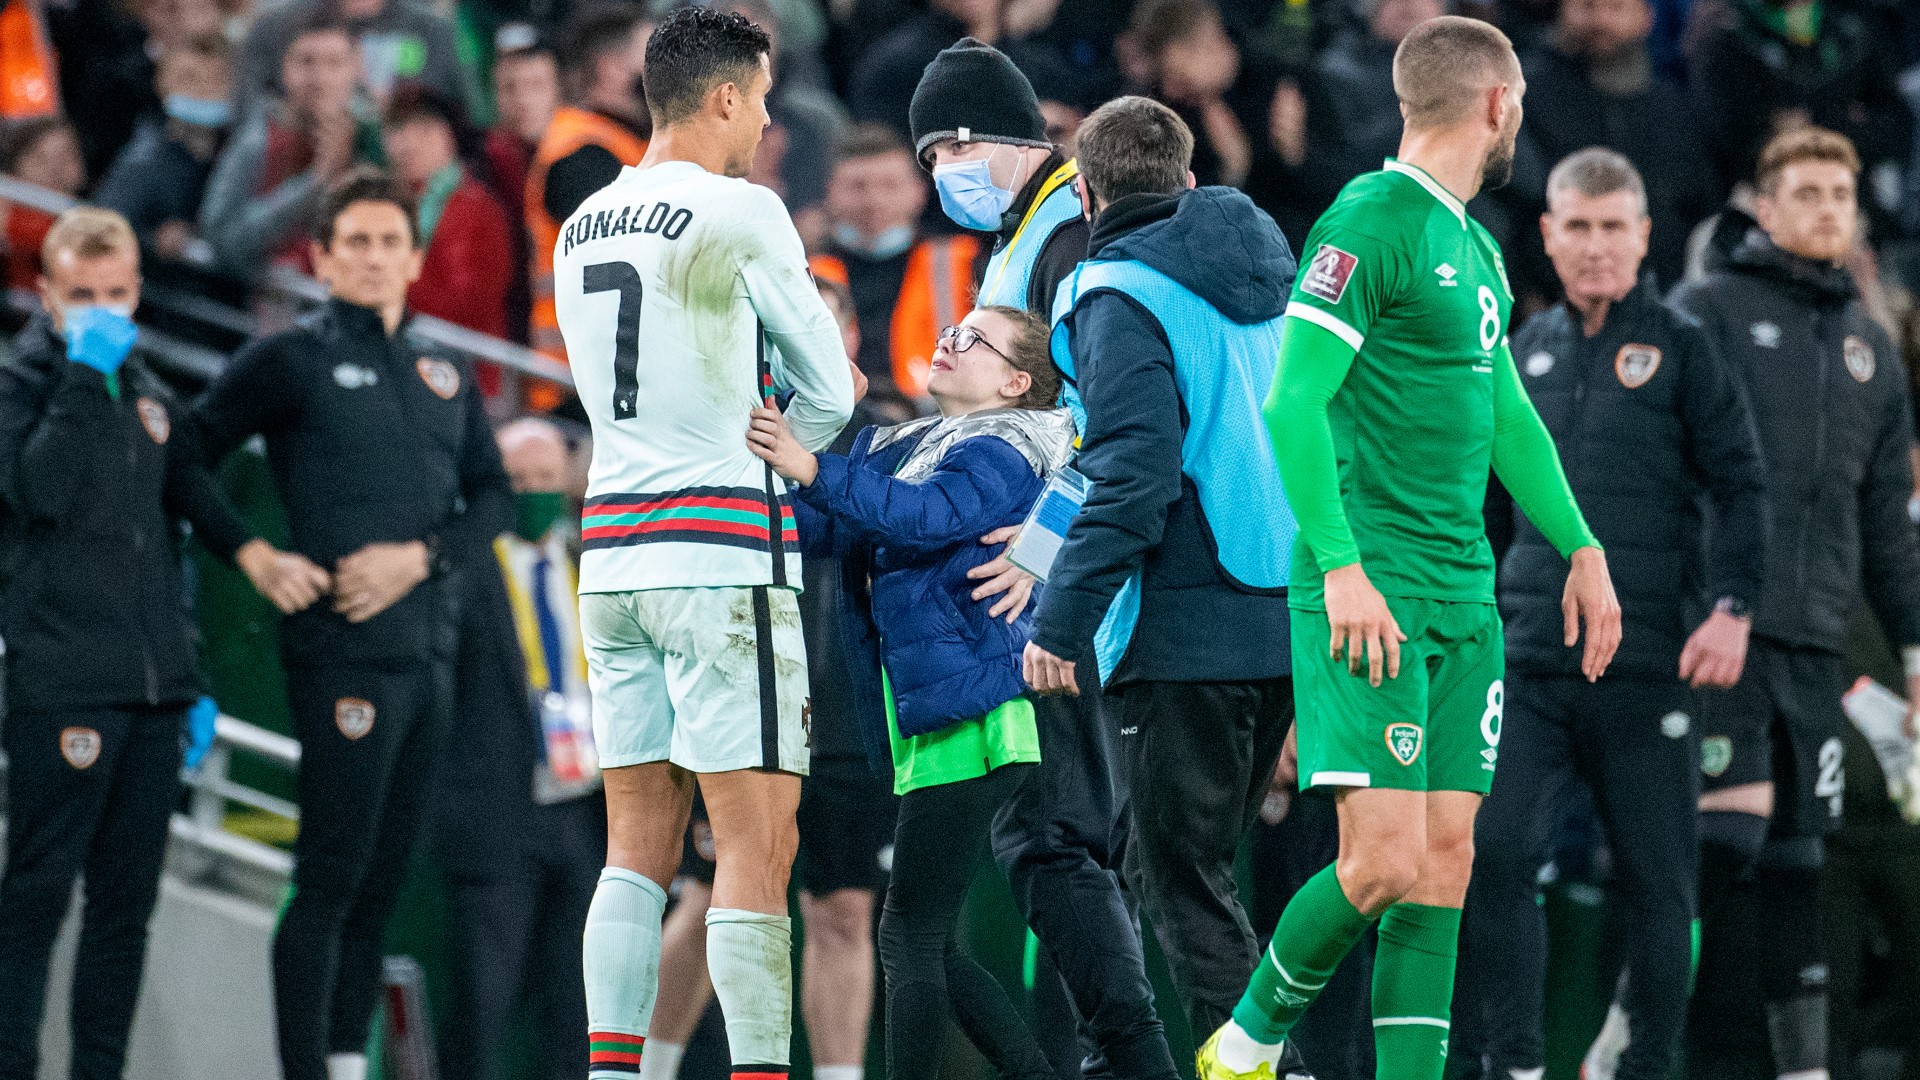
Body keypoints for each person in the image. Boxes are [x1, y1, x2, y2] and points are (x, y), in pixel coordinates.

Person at [1198, 18, 1621, 1080]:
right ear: (1498, 105)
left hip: (1462, 596)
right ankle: (1245, 1043)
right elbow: (1292, 405)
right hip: (1370, 587)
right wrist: (1339, 566)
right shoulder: (1369, 218)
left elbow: (1507, 415)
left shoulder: (1476, 244)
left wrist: (1579, 544)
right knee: (1379, 862)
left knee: (1442, 867)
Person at [549, 9, 855, 1080]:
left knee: (634, 849)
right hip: (723, 556)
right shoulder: (743, 211)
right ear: (723, 97)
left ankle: (613, 1071)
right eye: (763, 99)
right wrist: (800, 441)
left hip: (616, 553)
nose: (770, 119)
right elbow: (831, 389)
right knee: (758, 846)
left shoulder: (579, 221)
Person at [1452, 147, 1768, 1080]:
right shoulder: (1520, 351)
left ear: (1643, 236)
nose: (1594, 246)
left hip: (1645, 667)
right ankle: (1514, 1064)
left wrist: (1734, 608)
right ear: (1548, 236)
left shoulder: (1685, 349)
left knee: (1659, 886)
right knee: (1497, 858)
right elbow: (1490, 512)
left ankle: (1648, 1068)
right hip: (1531, 666)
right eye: (1577, 227)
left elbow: (1744, 486)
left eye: (1612, 227)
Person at [192, 169, 513, 1080]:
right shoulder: (286, 358)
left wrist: (420, 559)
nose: (373, 259)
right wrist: (256, 557)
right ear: (323, 257)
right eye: (355, 243)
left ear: (414, 259)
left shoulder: (444, 370)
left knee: (380, 882)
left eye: (389, 242)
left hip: (428, 654)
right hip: (339, 655)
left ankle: (342, 1063)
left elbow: (491, 495)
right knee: (330, 876)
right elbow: (184, 452)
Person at [909, 37, 1185, 1080]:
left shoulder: (1067, 233)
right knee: (1074, 847)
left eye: (945, 150)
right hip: (1087, 583)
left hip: (1070, 590)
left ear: (986, 138)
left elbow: (1094, 413)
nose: (944, 176)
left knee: (1054, 844)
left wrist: (1042, 548)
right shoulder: (1038, 232)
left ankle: (1131, 1060)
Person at [0, 208, 316, 1080]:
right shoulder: (19, 387)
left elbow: (178, 529)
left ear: (137, 293)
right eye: (81, 296)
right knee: (33, 905)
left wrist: (192, 675)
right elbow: (38, 493)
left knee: (123, 913)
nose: (99, 311)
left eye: (115, 294)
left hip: (152, 696)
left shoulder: (148, 394)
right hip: (63, 685)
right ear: (46, 295)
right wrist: (74, 378)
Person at [1022, 94, 1303, 1061]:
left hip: (1184, 626)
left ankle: (1269, 1067)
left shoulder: (1115, 291)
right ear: (1187, 180)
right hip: (1283, 612)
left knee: (1180, 881)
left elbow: (1133, 474)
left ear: (1087, 196)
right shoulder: (1274, 273)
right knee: (1196, 874)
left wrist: (1061, 622)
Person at [751, 303, 1075, 1080]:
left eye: (973, 339)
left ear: (1015, 381)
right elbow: (831, 528)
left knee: (906, 938)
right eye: (952, 329)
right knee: (928, 941)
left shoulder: (1005, 445)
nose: (948, 339)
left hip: (977, 715)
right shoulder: (913, 440)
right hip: (932, 712)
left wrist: (812, 467)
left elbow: (928, 519)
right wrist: (776, 464)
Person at [1668, 125, 1920, 1080]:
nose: (1825, 210)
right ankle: (1663, 1050)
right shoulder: (1708, 309)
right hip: (1714, 636)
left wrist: (1913, 655)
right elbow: (1666, 471)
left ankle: (1802, 1072)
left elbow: (1886, 524)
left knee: (1800, 867)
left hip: (1814, 644)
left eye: (1839, 196)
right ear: (1762, 209)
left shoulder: (1868, 346)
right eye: (1804, 193)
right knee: (1720, 854)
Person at [435, 417, 606, 1080]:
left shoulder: (587, 564)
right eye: (517, 482)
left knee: (579, 1010)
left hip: (583, 814)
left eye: (544, 479)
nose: (532, 492)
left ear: (568, 481)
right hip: (495, 817)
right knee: (484, 1005)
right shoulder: (464, 569)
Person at [1501, 0, 1715, 302]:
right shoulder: (1524, 96)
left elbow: (1699, 204)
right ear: (1562, 10)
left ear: (1647, 18)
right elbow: (1514, 204)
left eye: (1616, 8)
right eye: (1588, 7)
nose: (1601, 20)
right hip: (1552, 304)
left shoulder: (1675, 107)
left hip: (1663, 303)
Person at [199, 11, 381, 280]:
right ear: (285, 69)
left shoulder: (375, 141)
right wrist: (315, 184)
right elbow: (223, 243)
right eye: (307, 62)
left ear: (355, 70)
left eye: (335, 63)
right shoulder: (258, 141)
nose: (320, 78)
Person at [810, 123, 980, 405]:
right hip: (838, 420)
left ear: (920, 191)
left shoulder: (963, 262)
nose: (873, 201)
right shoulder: (805, 271)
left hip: (939, 420)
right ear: (830, 191)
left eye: (890, 185)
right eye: (857, 187)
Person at [526, 2, 651, 377]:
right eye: (650, 56)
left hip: (611, 374)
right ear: (610, 67)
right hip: (579, 382)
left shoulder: (622, 143)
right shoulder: (581, 154)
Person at [382, 84, 514, 341]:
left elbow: (464, 305)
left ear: (450, 137)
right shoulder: (383, 201)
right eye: (397, 129)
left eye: (424, 130)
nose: (407, 143)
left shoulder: (477, 210)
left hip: (462, 368)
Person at [94, 32, 235, 261]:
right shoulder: (144, 160)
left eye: (217, 79)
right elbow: (102, 230)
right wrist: (152, 239)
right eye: (187, 78)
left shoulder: (238, 152)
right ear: (161, 83)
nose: (202, 89)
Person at [235, 0, 472, 113]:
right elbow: (248, 122)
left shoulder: (434, 33)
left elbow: (463, 128)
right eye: (307, 61)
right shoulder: (274, 30)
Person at [0, 117, 86, 291]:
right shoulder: (6, 213)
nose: (55, 170)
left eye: (65, 156)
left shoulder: (94, 218)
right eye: (41, 159)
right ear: (16, 168)